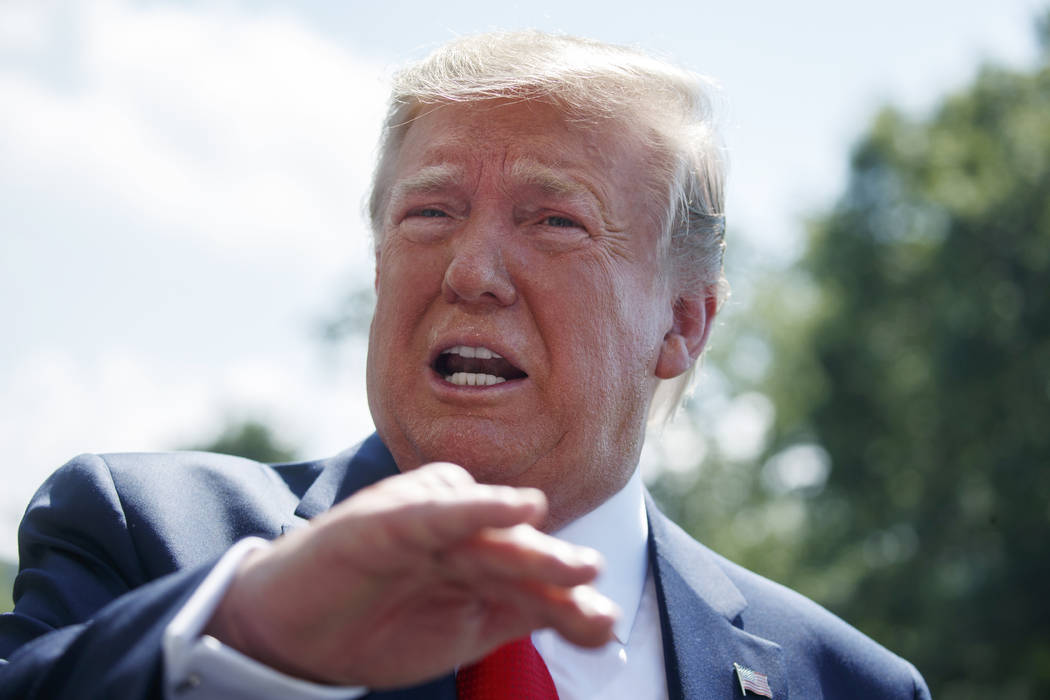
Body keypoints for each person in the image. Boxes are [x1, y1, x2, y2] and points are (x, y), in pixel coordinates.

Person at [0, 31, 930, 700]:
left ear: (683, 324)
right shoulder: (148, 546)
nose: (472, 271)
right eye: (430, 212)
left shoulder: (842, 681)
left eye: (554, 220)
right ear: (377, 265)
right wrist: (250, 643)